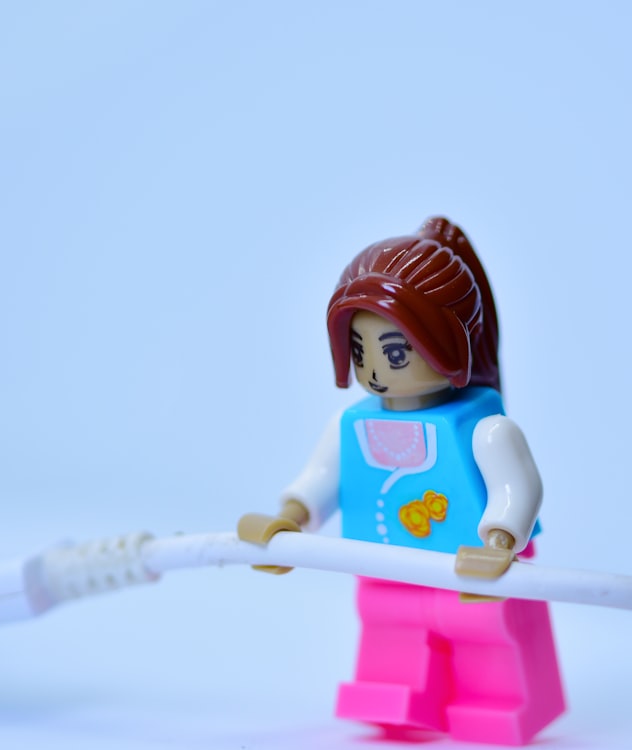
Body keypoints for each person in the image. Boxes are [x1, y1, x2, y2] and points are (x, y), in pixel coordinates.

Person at [239, 217, 565, 745]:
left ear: (447, 342)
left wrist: (501, 540)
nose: (377, 370)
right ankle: (395, 705)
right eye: (362, 351)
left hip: (472, 575)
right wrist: (292, 518)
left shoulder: (485, 428)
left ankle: (496, 707)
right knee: (391, 636)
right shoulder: (352, 425)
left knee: (490, 645)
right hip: (384, 569)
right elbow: (321, 478)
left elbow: (518, 489)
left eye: (395, 352)